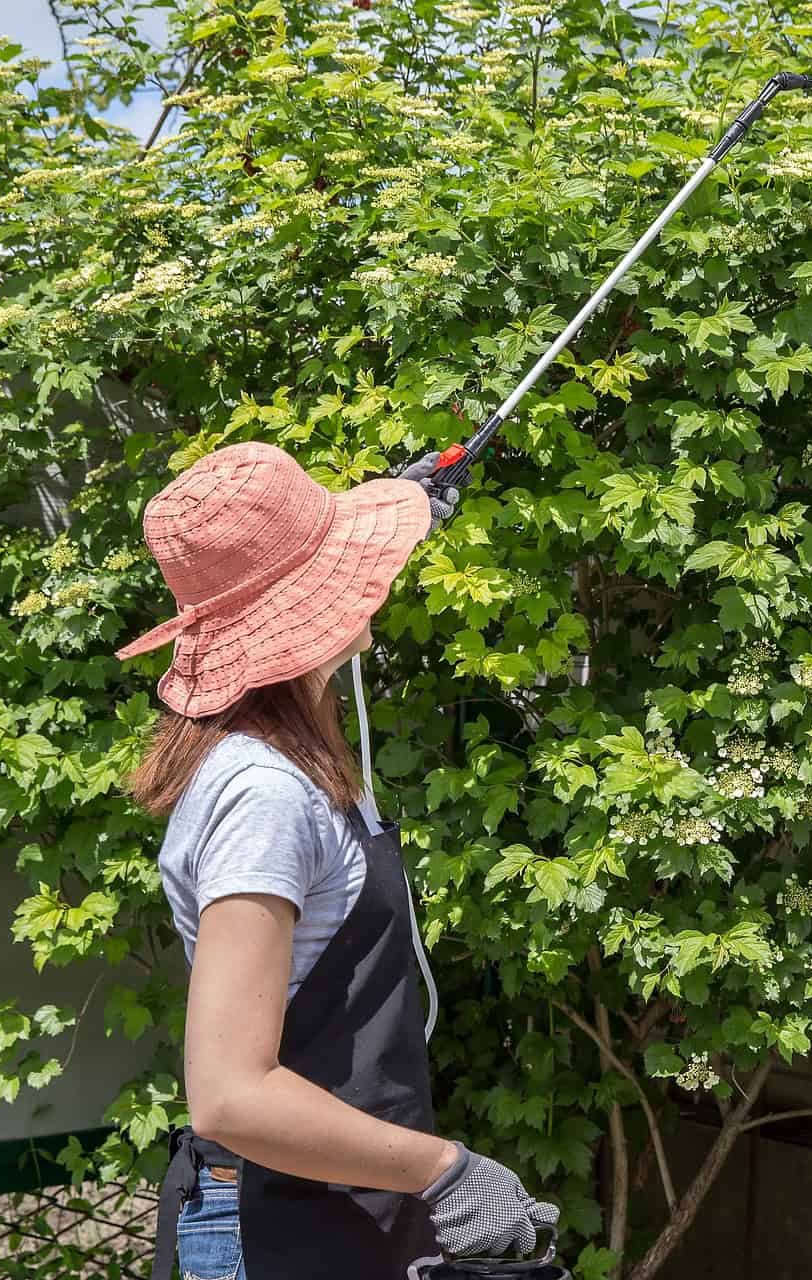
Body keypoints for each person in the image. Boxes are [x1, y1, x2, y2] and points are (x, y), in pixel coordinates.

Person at [114, 440, 559, 1280]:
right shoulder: (265, 793)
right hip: (275, 1225)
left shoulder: (289, 753)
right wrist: (446, 1172)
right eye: (347, 563)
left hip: (329, 1208)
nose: (372, 580)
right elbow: (231, 1095)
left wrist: (406, 506)